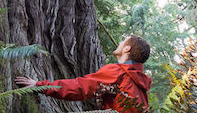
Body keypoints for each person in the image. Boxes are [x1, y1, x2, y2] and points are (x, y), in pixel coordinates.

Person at [14, 35, 152, 113]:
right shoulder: (139, 83)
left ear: (127, 48)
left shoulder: (119, 72)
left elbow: (80, 87)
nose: (120, 42)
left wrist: (40, 85)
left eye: (123, 41)